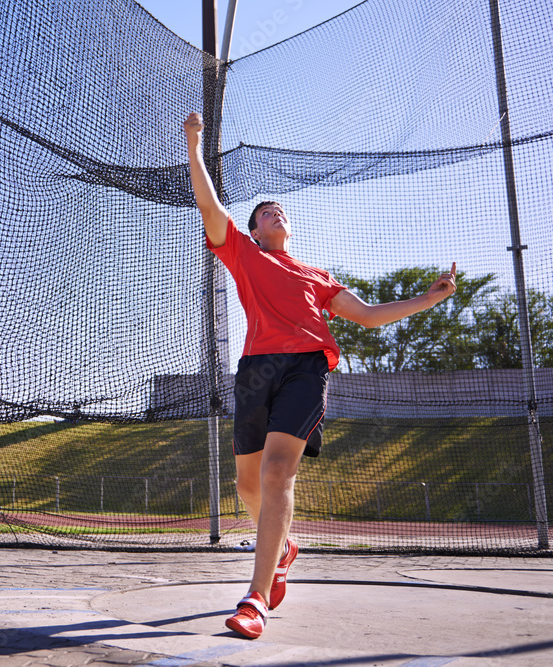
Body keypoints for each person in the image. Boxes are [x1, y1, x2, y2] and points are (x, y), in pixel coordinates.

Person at [182, 112, 456, 639]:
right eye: (265, 212)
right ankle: (282, 542)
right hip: (257, 370)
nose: (274, 213)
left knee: (278, 470)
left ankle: (255, 599)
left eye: (279, 209)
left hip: (307, 367)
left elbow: (370, 314)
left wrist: (428, 298)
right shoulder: (241, 253)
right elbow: (210, 206)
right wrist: (195, 145)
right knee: (247, 482)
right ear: (255, 231)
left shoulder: (317, 276)